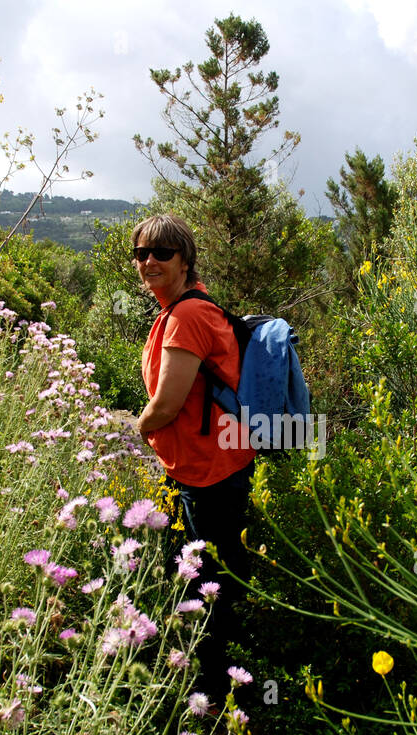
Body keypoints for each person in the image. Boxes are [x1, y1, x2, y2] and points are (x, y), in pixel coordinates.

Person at [133, 213, 255, 703]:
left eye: (162, 252)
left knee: (208, 580)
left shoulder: (186, 316)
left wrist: (135, 430)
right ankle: (219, 668)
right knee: (211, 569)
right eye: (141, 253)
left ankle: (215, 690)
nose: (149, 262)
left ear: (185, 260)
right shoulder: (180, 311)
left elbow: (167, 403)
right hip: (207, 467)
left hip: (209, 475)